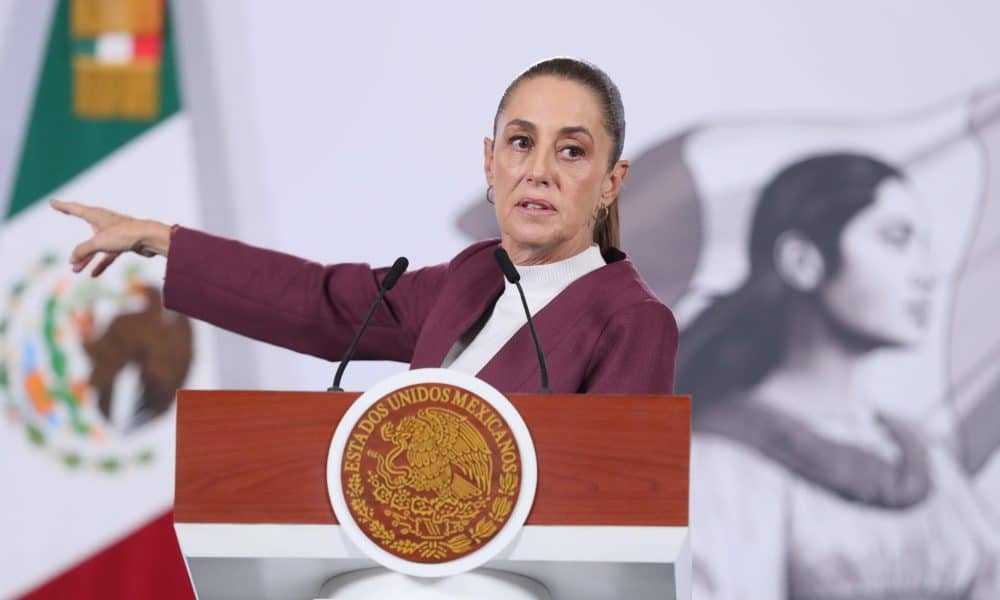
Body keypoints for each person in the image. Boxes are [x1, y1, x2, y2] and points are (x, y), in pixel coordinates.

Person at [51, 57, 679, 395]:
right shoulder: (468, 281)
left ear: (611, 182)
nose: (538, 171)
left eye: (571, 151)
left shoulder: (630, 320)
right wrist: (162, 240)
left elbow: (612, 513)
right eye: (521, 143)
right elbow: (315, 302)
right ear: (490, 161)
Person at [683, 153, 1000, 598]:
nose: (926, 274)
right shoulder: (720, 463)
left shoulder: (925, 461)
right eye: (896, 239)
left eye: (923, 245)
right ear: (802, 260)